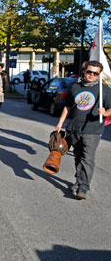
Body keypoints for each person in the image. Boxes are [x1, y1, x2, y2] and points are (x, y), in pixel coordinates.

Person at [56, 60, 111, 200]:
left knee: (87, 159)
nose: (91, 75)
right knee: (78, 158)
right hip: (74, 128)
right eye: (89, 72)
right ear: (84, 71)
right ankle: (79, 181)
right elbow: (68, 107)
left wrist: (105, 113)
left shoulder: (104, 90)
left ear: (99, 75)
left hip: (92, 130)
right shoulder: (75, 88)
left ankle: (83, 188)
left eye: (95, 73)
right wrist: (60, 122)